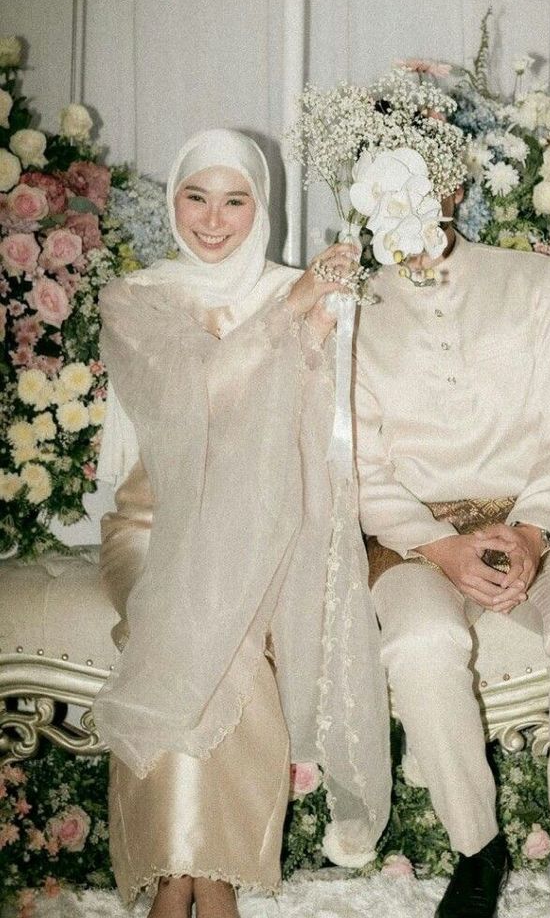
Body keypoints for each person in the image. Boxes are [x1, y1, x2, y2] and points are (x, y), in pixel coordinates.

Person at [93, 129, 389, 918]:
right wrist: (289, 315)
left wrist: (319, 336)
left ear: (262, 206)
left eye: (235, 200)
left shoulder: (290, 287)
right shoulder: (136, 298)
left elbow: (316, 432)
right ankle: (202, 871)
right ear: (172, 201)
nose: (213, 220)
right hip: (154, 526)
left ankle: (193, 875)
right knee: (196, 616)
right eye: (196, 196)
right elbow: (196, 397)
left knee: (219, 617)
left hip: (267, 518)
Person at [354, 193, 550, 918]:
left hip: (536, 517)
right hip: (412, 536)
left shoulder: (531, 281)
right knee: (420, 640)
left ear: (452, 187)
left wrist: (533, 532)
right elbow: (355, 459)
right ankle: (478, 849)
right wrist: (440, 547)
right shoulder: (356, 303)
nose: (405, 198)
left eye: (422, 175)